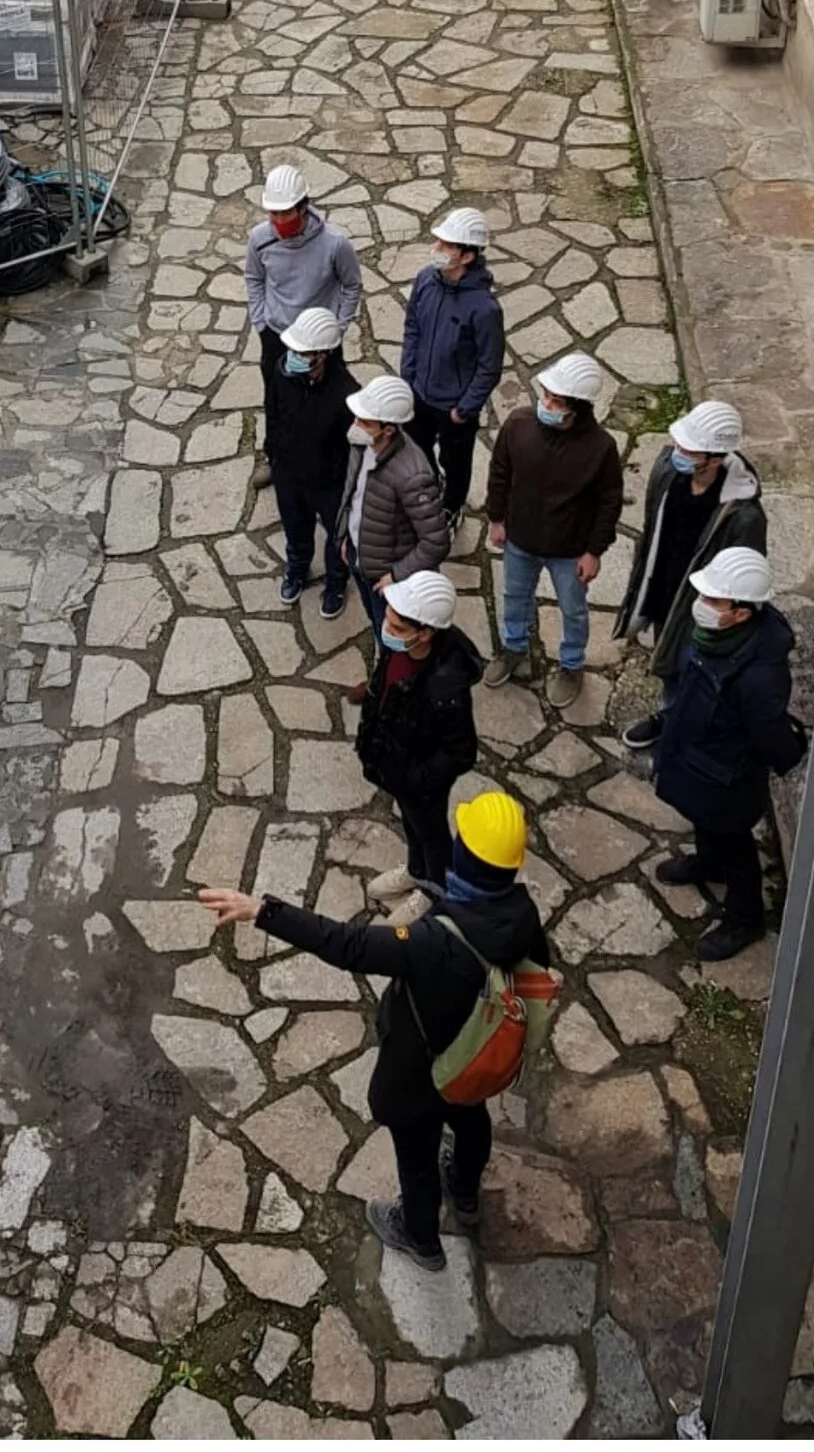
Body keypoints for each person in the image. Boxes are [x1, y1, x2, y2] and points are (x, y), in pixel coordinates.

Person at [198, 789, 549, 1275]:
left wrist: (263, 910)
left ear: (464, 860)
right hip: (479, 1057)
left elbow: (348, 945)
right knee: (471, 1119)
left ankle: (420, 1236)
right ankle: (465, 1192)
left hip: (421, 1075)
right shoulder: (522, 913)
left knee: (418, 1156)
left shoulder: (430, 942)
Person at [650, 547, 807, 962]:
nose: (701, 606)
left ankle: (745, 917)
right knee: (704, 823)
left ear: (742, 613)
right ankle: (707, 862)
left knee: (734, 844)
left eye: (713, 600)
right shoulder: (714, 633)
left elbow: (772, 734)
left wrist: (789, 753)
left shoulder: (760, 674)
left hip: (727, 777)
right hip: (697, 762)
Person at [616, 401, 766, 755]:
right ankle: (669, 718)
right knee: (669, 666)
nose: (677, 453)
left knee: (694, 676)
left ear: (715, 458)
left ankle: (678, 733)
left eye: (689, 450)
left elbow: (748, 577)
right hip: (663, 592)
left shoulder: (744, 518)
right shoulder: (668, 471)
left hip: (702, 609)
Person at [483, 350, 623, 711]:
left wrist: (594, 551)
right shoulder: (518, 425)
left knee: (573, 611)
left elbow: (609, 502)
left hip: (570, 551)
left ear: (578, 407)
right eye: (545, 395)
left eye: (556, 400)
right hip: (520, 540)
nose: (545, 403)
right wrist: (496, 519)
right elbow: (500, 473)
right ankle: (514, 648)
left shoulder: (601, 448)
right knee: (514, 598)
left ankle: (572, 666)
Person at [346, 570, 482, 926]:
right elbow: (389, 679)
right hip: (397, 763)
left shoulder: (445, 688)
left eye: (397, 628)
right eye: (388, 622)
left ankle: (434, 888)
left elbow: (461, 751)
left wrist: (417, 779)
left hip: (419, 779)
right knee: (412, 825)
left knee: (432, 833)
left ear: (426, 632)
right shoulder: (402, 649)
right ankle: (416, 869)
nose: (387, 631)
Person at [397, 206, 503, 529]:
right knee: (417, 451)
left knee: (456, 463)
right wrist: (409, 373)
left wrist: (464, 409)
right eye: (438, 242)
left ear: (467, 256)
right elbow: (412, 326)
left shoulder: (484, 309)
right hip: (420, 393)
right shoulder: (425, 280)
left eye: (446, 246)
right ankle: (432, 488)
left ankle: (452, 506)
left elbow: (489, 366)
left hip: (454, 407)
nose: (437, 250)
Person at [243, 165, 364, 416]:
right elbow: (254, 277)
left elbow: (352, 285)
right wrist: (260, 322)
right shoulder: (260, 238)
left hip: (321, 344)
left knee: (327, 409)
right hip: (276, 335)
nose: (277, 221)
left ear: (303, 207)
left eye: (285, 213)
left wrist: (337, 330)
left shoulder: (335, 244)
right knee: (277, 405)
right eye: (272, 213)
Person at [338, 375, 449, 631]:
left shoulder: (413, 475)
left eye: (364, 422)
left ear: (388, 429)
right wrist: (347, 536)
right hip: (360, 555)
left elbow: (436, 542)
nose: (355, 425)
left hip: (387, 575)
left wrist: (396, 576)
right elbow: (353, 495)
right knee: (375, 620)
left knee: (390, 628)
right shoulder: (361, 444)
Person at [265, 306, 356, 617]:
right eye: (293, 349)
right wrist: (275, 456)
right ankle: (297, 569)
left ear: (323, 355)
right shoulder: (281, 372)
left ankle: (335, 584)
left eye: (302, 353)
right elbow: (273, 414)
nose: (294, 356)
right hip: (288, 473)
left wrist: (336, 480)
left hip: (328, 484)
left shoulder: (346, 394)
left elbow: (351, 448)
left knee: (336, 536)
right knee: (295, 527)